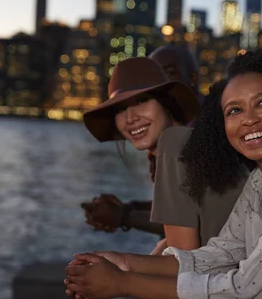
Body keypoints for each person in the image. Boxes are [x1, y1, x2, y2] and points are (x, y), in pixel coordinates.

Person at [65, 49, 262, 299]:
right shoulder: (260, 182)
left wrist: (122, 282)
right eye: (234, 110)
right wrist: (124, 261)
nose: (249, 119)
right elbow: (219, 254)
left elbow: (245, 289)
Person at [81, 45, 201, 237]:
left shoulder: (185, 143)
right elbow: (184, 205)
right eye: (120, 109)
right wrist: (130, 208)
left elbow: (188, 231)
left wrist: (123, 216)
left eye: (142, 100)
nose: (130, 118)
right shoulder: (167, 146)